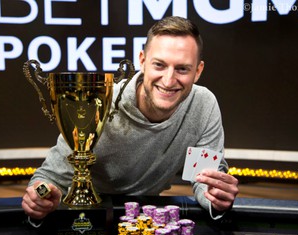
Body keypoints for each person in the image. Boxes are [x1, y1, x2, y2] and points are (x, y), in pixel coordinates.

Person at [22, 16, 239, 222]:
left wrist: (215, 196)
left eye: (182, 69)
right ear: (142, 61)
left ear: (198, 71)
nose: (169, 80)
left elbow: (203, 179)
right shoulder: (102, 104)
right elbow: (49, 177)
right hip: (87, 219)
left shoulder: (203, 105)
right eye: (159, 65)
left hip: (147, 218)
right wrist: (41, 195)